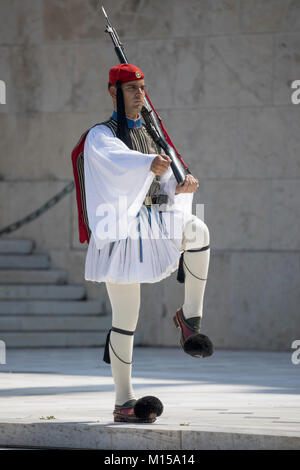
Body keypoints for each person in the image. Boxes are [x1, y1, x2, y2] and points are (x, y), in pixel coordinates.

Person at [73, 63, 213, 423]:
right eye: (131, 88)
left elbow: (164, 184)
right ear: (113, 92)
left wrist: (179, 187)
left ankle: (189, 318)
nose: (139, 94)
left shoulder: (153, 136)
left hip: (154, 223)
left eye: (142, 88)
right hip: (118, 232)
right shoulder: (100, 136)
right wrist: (146, 163)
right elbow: (115, 164)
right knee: (125, 319)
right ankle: (125, 402)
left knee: (198, 232)